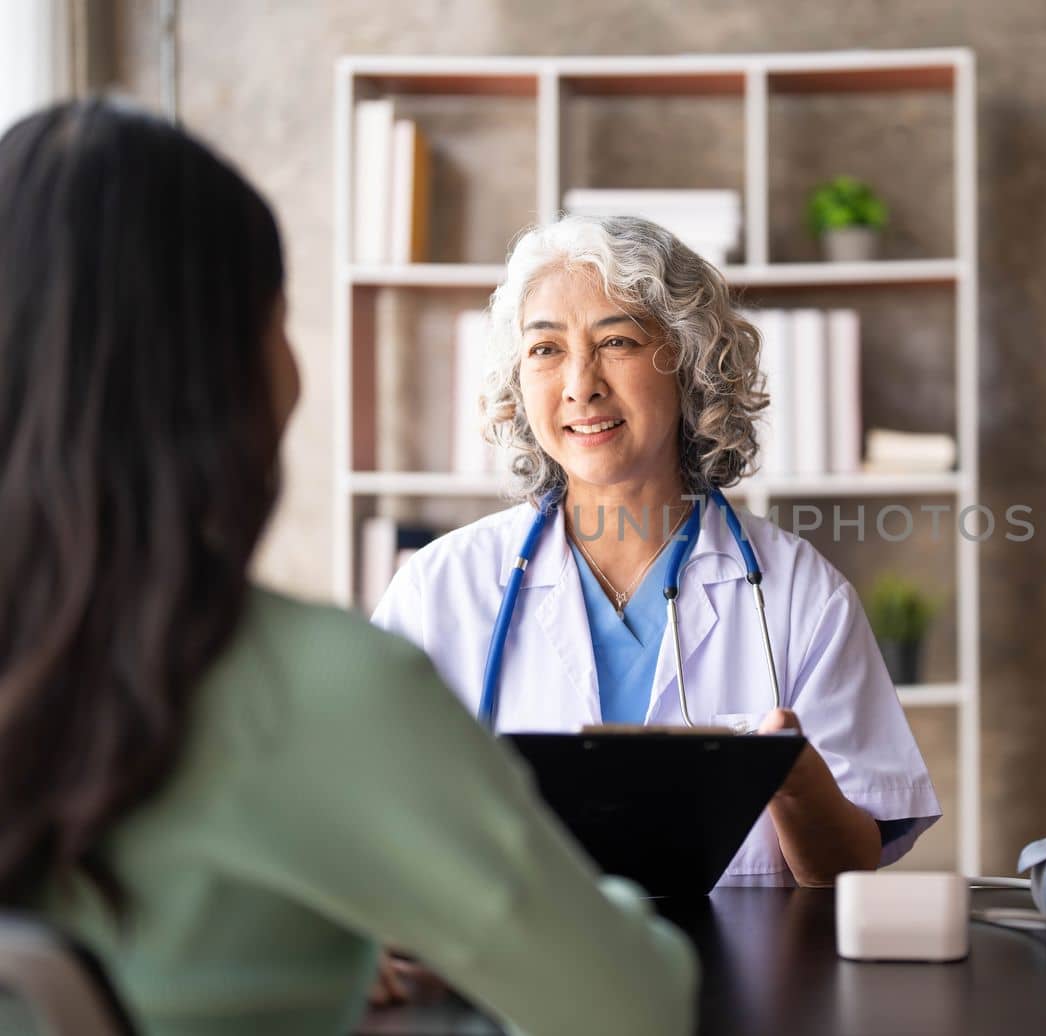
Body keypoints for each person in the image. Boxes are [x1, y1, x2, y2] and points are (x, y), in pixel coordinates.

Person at [0, 100, 695, 1036]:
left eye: (616, 341)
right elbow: (632, 1006)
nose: (580, 381)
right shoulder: (322, 689)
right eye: (280, 318)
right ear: (237, 369)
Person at [372, 215, 940, 887]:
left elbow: (848, 869)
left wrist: (793, 777)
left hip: (743, 983)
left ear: (690, 362)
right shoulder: (438, 589)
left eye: (616, 341)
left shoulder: (797, 595)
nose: (581, 383)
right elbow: (368, 823)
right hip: (514, 976)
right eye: (546, 350)